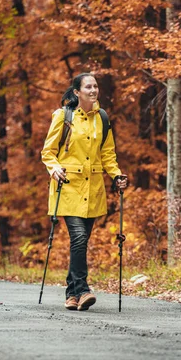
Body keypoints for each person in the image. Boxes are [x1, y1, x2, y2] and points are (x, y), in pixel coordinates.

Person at [41, 73, 128, 311]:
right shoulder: (63, 116)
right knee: (78, 238)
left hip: (93, 188)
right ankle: (83, 290)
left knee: (81, 242)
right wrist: (54, 168)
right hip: (68, 186)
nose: (93, 90)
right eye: (88, 86)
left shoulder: (102, 118)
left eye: (96, 86)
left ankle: (71, 293)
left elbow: (108, 154)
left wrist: (117, 175)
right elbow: (48, 151)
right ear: (77, 92)